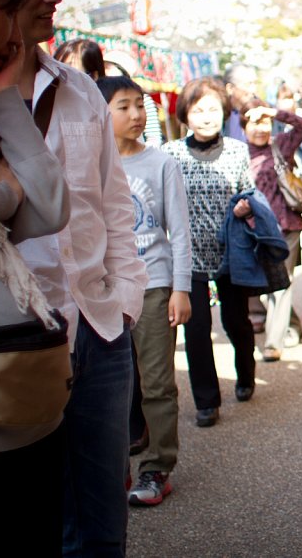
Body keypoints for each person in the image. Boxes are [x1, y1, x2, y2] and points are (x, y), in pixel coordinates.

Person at [0, 0, 149, 556]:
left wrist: (129, 299)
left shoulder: (82, 92)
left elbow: (112, 209)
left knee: (104, 515)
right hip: (11, 341)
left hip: (100, 327)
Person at [0, 0, 71, 555]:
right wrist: (3, 198)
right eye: (12, 1)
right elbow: (25, 201)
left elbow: (51, 207)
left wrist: (0, 96)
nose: (32, 13)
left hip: (15, 379)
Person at [97, 75, 191, 506]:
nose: (136, 114)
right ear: (101, 113)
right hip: (100, 290)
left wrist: (181, 288)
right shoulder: (87, 163)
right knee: (106, 386)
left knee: (156, 384)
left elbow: (180, 231)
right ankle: (109, 470)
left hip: (153, 285)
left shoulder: (161, 162)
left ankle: (156, 468)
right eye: (124, 106)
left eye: (141, 105)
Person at [162, 76, 257, 427]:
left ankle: (246, 374)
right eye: (198, 110)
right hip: (189, 258)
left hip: (231, 253)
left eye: (213, 109)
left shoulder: (237, 150)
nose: (206, 116)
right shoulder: (169, 155)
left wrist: (245, 207)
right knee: (196, 329)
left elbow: (249, 192)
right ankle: (206, 401)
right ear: (185, 116)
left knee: (237, 323)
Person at [240, 100, 302, 362]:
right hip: (255, 229)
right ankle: (293, 326)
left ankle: (273, 341)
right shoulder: (237, 153)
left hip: (286, 226)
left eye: (264, 122)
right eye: (254, 123)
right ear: (243, 127)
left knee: (281, 285)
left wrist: (274, 112)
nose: (260, 128)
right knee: (268, 283)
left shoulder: (280, 145)